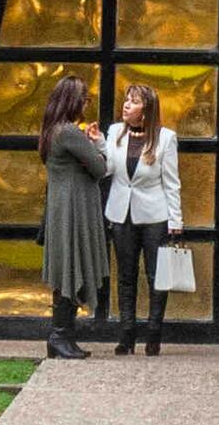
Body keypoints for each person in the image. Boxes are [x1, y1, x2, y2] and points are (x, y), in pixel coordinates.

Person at [38, 73, 115, 361]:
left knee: (67, 270)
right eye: (85, 99)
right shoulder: (69, 132)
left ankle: (62, 336)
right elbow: (100, 168)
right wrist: (97, 144)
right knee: (71, 268)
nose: (86, 104)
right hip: (73, 209)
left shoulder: (52, 130)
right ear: (73, 101)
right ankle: (60, 336)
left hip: (63, 209)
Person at [104, 83, 185, 355]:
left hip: (154, 215)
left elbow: (171, 182)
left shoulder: (165, 138)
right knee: (126, 275)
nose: (126, 105)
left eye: (134, 101)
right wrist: (97, 144)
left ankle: (153, 332)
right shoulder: (115, 131)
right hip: (121, 213)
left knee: (155, 275)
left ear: (146, 109)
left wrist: (175, 221)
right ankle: (126, 334)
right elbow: (106, 169)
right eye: (126, 99)